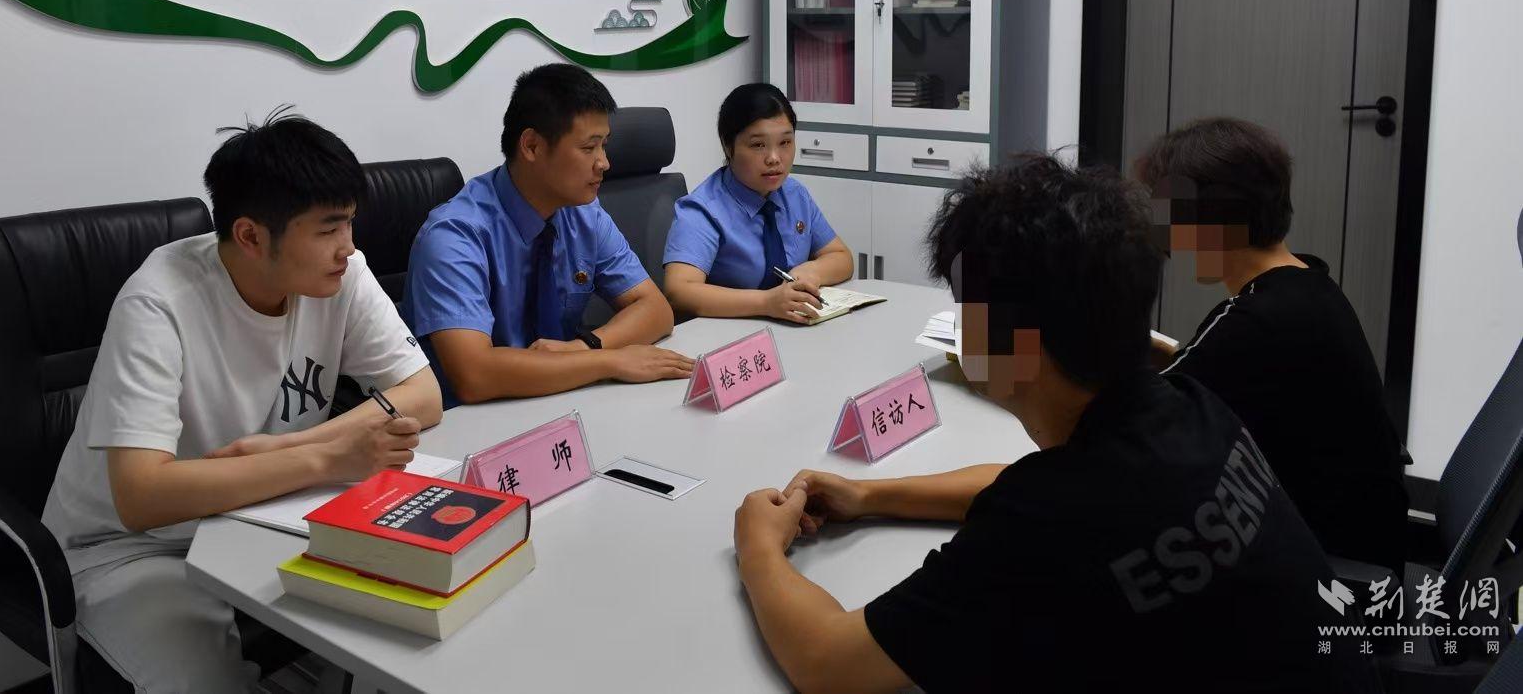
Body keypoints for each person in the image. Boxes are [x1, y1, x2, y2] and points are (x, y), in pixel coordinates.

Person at [732, 154, 1378, 694]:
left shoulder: (1043, 525)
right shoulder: (1192, 408)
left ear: (1016, 346)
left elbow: (828, 662)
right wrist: (870, 495)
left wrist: (758, 544)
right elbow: (1031, 486)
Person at [41, 109, 443, 693]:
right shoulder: (158, 303)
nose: (348, 247)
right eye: (328, 229)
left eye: (350, 223)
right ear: (251, 236)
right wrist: (327, 459)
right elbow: (141, 496)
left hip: (271, 510)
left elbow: (423, 394)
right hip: (136, 549)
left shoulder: (341, 274)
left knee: (410, 622)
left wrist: (297, 447)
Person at [1134, 116, 1408, 575]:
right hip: (1364, 536)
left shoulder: (1253, 322)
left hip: (1328, 565)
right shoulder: (1307, 283)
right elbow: (1201, 367)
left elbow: (1136, 423)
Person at [401, 63, 692, 404]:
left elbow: (656, 309)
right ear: (532, 146)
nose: (604, 163)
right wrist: (610, 360)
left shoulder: (583, 214)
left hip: (561, 400)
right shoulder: (454, 236)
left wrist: (584, 348)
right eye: (589, 148)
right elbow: (474, 376)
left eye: (604, 145)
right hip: (472, 421)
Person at [662, 83, 854, 323]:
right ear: (728, 145)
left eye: (785, 143)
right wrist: (766, 302)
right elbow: (679, 291)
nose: (774, 158)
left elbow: (841, 256)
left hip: (794, 328)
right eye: (758, 145)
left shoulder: (794, 195)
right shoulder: (703, 210)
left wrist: (811, 271)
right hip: (730, 334)